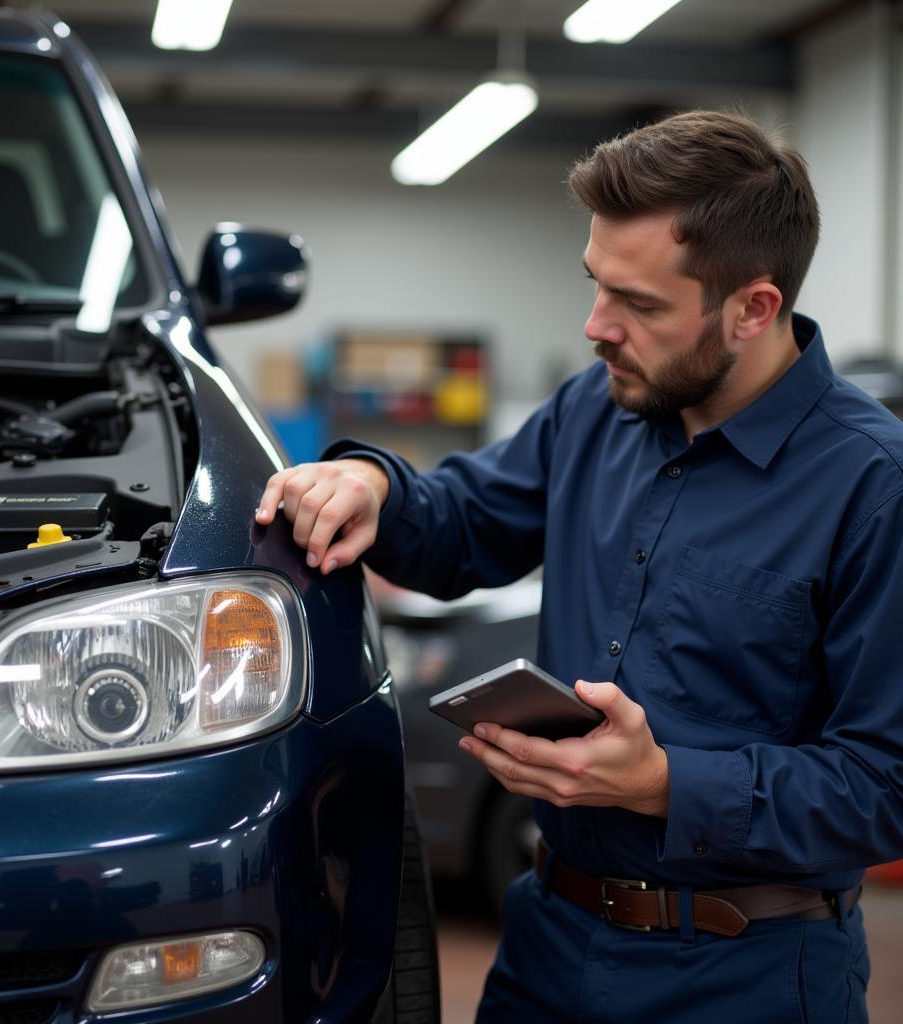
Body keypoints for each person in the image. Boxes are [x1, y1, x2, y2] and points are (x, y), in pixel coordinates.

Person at [255, 110, 903, 1023]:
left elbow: (887, 786)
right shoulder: (597, 410)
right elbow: (463, 521)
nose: (597, 326)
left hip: (747, 977)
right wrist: (374, 483)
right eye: (596, 284)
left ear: (754, 308)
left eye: (638, 305)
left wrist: (668, 781)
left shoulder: (874, 486)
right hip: (548, 946)